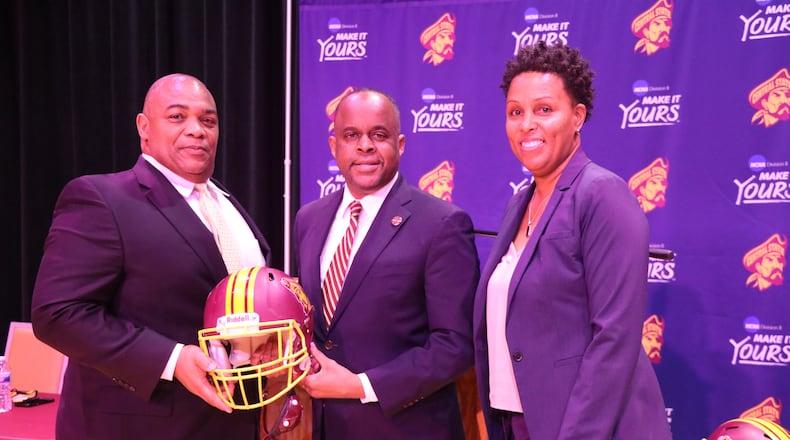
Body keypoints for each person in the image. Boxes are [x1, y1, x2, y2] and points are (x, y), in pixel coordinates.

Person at [31, 73, 269, 440]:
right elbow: (57, 314)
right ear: (144, 127)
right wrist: (172, 360)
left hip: (235, 425)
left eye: (208, 120)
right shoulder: (101, 198)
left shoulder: (227, 204)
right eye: (177, 117)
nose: (196, 130)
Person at [472, 42, 672, 439]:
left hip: (586, 428)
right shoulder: (520, 202)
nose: (527, 123)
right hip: (520, 421)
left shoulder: (602, 194)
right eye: (516, 112)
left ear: (577, 116)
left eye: (544, 110)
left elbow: (613, 337)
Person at [293, 88, 480, 439]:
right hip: (327, 428)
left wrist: (360, 385)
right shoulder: (309, 219)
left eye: (378, 135)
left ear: (401, 144)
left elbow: (455, 344)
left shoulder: (442, 224)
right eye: (352, 136)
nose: (365, 146)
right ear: (334, 146)